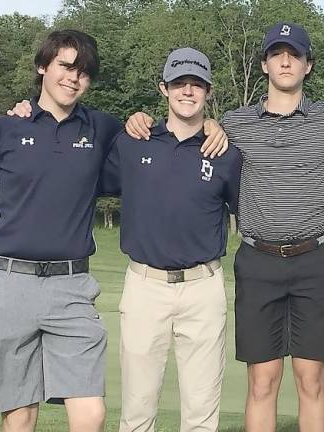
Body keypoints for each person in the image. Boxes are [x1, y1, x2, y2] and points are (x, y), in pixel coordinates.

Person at [125, 22, 324, 432]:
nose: (286, 61)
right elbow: (189, 124)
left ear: (308, 65)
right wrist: (165, 119)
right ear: (264, 64)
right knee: (262, 381)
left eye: (295, 54)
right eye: (278, 54)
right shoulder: (234, 125)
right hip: (258, 261)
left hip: (316, 259)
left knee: (311, 379)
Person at [0, 30, 121, 432]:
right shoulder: (2, 129)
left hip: (71, 286)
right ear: (43, 67)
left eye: (83, 72)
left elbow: (155, 142)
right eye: (66, 66)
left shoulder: (102, 129)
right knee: (19, 417)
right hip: (5, 282)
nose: (74, 78)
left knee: (91, 413)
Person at [99, 48, 242, 432]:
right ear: (164, 89)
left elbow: (251, 209)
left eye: (197, 84)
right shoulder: (133, 141)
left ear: (208, 92)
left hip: (203, 287)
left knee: (201, 414)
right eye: (179, 83)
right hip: (145, 285)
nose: (188, 91)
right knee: (137, 411)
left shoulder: (225, 152)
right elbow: (84, 180)